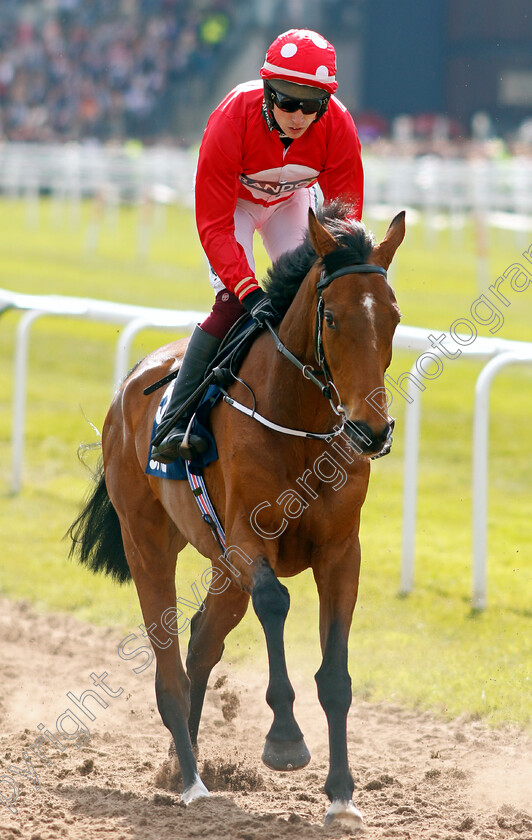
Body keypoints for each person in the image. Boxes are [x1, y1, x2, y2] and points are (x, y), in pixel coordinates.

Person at [152, 28, 364, 463]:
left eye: (312, 105)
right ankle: (174, 420)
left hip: (290, 204)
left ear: (328, 102)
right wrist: (249, 289)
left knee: (314, 297)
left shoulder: (338, 124)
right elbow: (213, 223)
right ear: (267, 88)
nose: (298, 116)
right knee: (234, 304)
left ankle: (332, 413)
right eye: (286, 99)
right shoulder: (233, 115)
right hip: (235, 208)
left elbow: (345, 218)